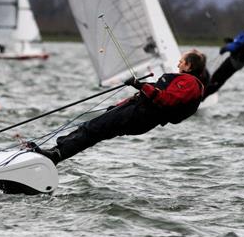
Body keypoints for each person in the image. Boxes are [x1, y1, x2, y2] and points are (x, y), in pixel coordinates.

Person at [32, 50, 207, 165]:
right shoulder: (185, 81)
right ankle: (56, 153)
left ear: (189, 66)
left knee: (92, 128)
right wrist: (121, 103)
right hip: (137, 113)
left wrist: (140, 85)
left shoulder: (189, 83)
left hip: (141, 116)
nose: (178, 65)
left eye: (181, 62)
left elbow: (166, 100)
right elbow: (155, 94)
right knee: (92, 129)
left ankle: (55, 155)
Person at [203, 17, 244, 98]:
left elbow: (236, 46)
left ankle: (201, 95)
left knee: (216, 77)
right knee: (221, 80)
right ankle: (204, 96)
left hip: (233, 60)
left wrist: (225, 48)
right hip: (241, 63)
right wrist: (232, 41)